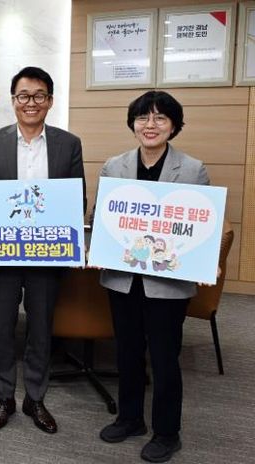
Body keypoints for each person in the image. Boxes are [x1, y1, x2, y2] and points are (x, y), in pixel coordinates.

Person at [97, 91, 212, 463]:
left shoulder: (193, 170)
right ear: (132, 124)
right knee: (127, 353)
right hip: (122, 278)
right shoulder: (114, 166)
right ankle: (130, 418)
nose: (150, 125)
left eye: (160, 118)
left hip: (167, 283)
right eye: (143, 118)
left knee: (164, 359)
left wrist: (206, 259)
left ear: (174, 126)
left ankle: (167, 432)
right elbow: (102, 218)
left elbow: (200, 229)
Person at [0, 66, 85, 434]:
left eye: (39, 95)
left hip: (47, 255)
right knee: (2, 327)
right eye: (23, 95)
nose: (30, 102)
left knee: (40, 328)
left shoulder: (69, 144)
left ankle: (35, 397)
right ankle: (4, 396)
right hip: (3, 254)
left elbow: (77, 200)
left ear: (50, 101)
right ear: (13, 101)